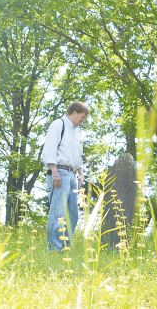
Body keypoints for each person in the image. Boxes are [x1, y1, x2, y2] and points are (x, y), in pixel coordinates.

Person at [41, 101, 89, 251]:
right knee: (58, 213)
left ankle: (65, 248)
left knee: (72, 215)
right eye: (81, 117)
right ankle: (54, 249)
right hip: (59, 173)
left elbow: (77, 155)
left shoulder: (76, 131)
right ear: (74, 112)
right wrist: (54, 172)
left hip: (72, 175)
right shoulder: (58, 124)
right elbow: (49, 149)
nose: (82, 121)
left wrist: (81, 174)